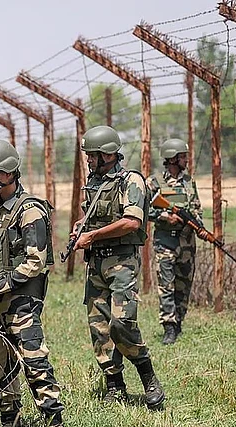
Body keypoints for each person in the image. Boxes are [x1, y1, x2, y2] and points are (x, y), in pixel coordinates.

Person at [0, 139, 67, 427]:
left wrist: (0, 286)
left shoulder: (30, 210)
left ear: (7, 173)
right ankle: (10, 423)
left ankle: (54, 426)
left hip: (21, 300)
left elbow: (35, 262)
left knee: (33, 359)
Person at [71, 125, 165, 409]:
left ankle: (148, 376)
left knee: (121, 322)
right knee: (99, 326)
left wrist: (93, 236)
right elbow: (96, 218)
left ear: (107, 155)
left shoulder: (130, 180)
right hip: (97, 262)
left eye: (92, 155)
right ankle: (115, 385)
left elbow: (132, 222)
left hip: (122, 261)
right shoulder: (95, 183)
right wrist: (82, 227)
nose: (88, 160)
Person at [146, 138, 203, 345]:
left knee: (184, 285)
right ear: (172, 158)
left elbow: (196, 208)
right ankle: (169, 327)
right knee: (166, 286)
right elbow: (143, 210)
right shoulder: (153, 183)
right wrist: (165, 216)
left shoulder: (190, 182)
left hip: (187, 243)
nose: (186, 160)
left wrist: (198, 225)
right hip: (165, 243)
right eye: (183, 156)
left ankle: (179, 322)